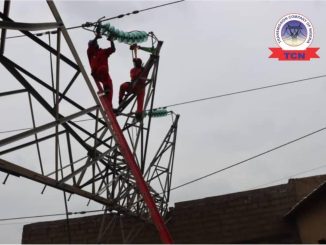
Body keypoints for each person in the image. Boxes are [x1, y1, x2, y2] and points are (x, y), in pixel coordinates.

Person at [87, 33, 116, 107]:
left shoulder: (103, 51)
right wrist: (96, 37)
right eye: (94, 44)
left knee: (110, 83)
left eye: (95, 43)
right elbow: (91, 45)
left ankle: (109, 106)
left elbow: (113, 49)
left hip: (104, 74)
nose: (95, 44)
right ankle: (106, 87)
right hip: (97, 73)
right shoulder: (90, 52)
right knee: (103, 69)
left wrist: (111, 41)